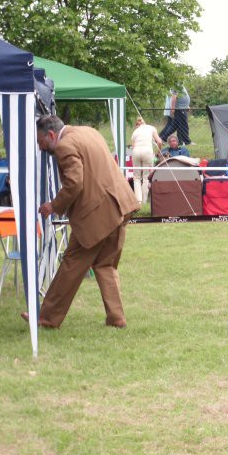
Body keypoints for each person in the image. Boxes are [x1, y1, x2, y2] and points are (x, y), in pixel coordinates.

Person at [21, 115, 139, 329]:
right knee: (105, 265)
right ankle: (116, 318)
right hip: (122, 205)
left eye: (40, 142)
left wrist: (53, 206)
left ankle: (47, 317)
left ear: (51, 134)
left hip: (98, 215)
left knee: (71, 264)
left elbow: (75, 182)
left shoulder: (64, 146)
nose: (40, 148)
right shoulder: (89, 131)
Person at [131, 116, 163, 205]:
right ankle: (144, 201)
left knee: (136, 178)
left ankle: (138, 201)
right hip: (148, 152)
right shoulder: (151, 128)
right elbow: (159, 142)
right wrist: (158, 152)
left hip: (136, 152)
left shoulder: (135, 132)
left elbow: (133, 147)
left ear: (137, 124)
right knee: (146, 178)